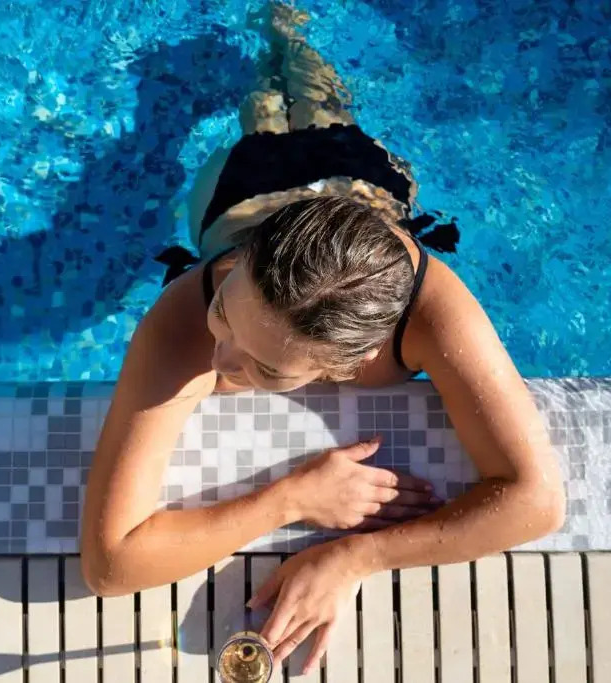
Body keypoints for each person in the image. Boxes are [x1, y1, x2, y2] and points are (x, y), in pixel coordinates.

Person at [80, 3, 564, 673]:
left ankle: (289, 29)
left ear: (353, 361)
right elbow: (111, 564)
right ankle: (270, 39)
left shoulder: (429, 311)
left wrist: (356, 556)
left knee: (316, 92)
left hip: (355, 177)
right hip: (245, 193)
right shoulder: (183, 319)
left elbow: (535, 501)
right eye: (226, 312)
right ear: (242, 266)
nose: (216, 359)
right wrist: (292, 497)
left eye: (264, 367)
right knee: (263, 109)